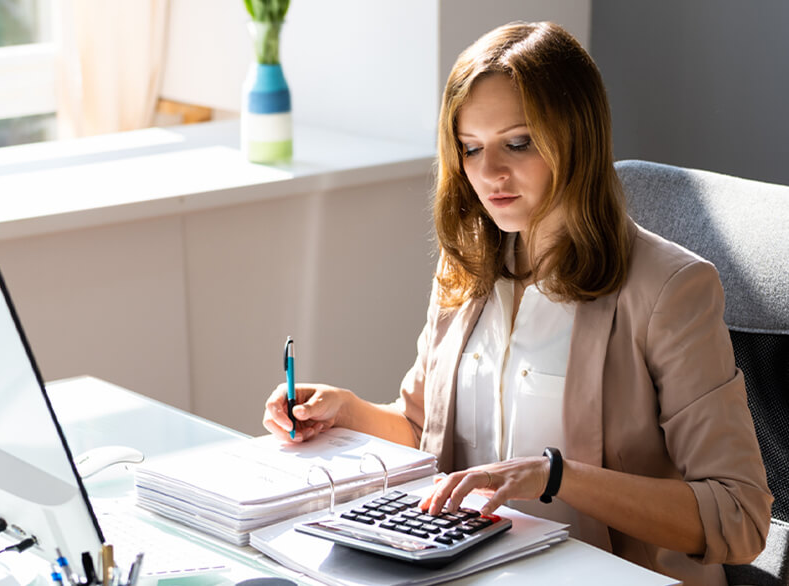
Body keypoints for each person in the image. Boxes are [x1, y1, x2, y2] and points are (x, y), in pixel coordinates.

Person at [262, 21, 771, 586]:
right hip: (471, 569)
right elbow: (426, 431)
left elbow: (740, 517)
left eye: (519, 143)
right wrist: (347, 410)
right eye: (471, 148)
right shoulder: (468, 267)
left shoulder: (669, 289)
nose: (489, 173)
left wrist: (556, 477)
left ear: (576, 137)